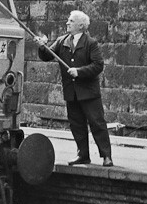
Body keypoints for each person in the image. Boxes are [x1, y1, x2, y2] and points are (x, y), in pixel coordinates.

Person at [35, 10, 113, 167]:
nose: (67, 23)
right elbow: (47, 56)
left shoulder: (90, 43)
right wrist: (42, 46)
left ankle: (106, 156)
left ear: (81, 25)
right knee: (77, 125)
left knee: (97, 124)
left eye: (71, 21)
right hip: (72, 92)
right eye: (68, 21)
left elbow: (98, 65)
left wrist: (79, 71)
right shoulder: (62, 41)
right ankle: (83, 155)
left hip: (89, 93)